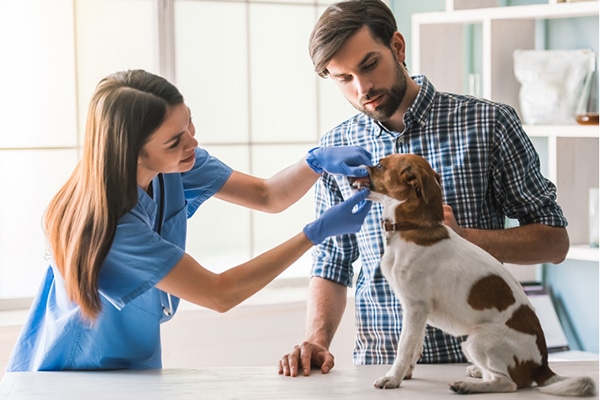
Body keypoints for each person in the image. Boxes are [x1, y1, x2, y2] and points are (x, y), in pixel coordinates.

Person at [7, 69, 374, 372]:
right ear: (133, 152)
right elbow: (219, 293)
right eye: (174, 140)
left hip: (135, 366)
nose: (191, 143)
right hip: (72, 374)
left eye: (189, 125)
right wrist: (315, 233)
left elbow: (267, 195)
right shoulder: (110, 225)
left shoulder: (174, 165)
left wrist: (314, 163)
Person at [278, 0, 570, 377]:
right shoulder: (337, 148)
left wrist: (461, 237)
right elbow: (332, 261)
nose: (362, 88)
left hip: (477, 364)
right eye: (344, 78)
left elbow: (554, 242)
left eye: (369, 65)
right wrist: (316, 340)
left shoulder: (488, 124)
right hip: (380, 369)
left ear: (397, 47)